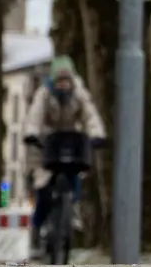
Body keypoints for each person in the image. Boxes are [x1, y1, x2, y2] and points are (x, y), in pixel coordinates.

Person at [21, 57, 105, 252]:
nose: (63, 85)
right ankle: (37, 229)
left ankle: (72, 210)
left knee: (74, 173)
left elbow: (90, 115)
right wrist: (32, 133)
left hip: (71, 141)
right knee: (43, 187)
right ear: (53, 81)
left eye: (66, 80)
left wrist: (96, 134)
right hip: (46, 143)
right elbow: (35, 116)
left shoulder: (80, 93)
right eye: (60, 81)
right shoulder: (44, 94)